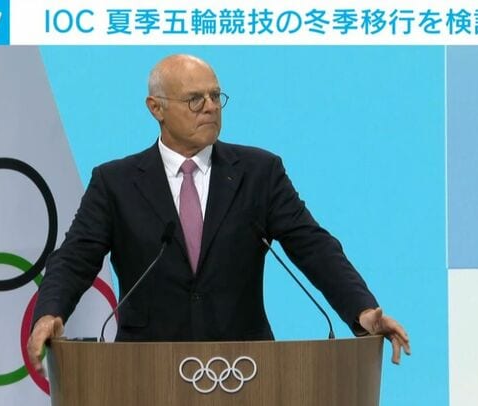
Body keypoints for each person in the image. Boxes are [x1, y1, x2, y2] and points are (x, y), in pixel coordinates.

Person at [27, 54, 410, 373]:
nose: (210, 107)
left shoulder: (259, 173)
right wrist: (49, 313)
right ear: (156, 108)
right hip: (146, 370)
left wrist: (363, 310)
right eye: (195, 99)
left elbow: (313, 246)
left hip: (246, 368)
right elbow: (76, 256)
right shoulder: (116, 182)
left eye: (215, 96)